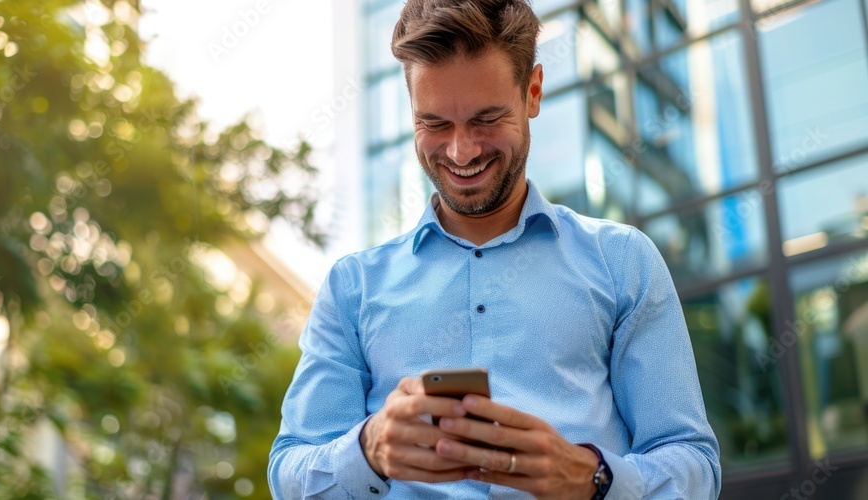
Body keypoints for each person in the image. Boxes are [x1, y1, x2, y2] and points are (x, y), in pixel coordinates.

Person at [268, 0, 721, 498]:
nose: (461, 151)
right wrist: (368, 450)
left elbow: (692, 464)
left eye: (486, 119)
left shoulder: (622, 262)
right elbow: (289, 471)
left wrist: (589, 476)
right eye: (435, 123)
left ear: (533, 91)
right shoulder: (351, 288)